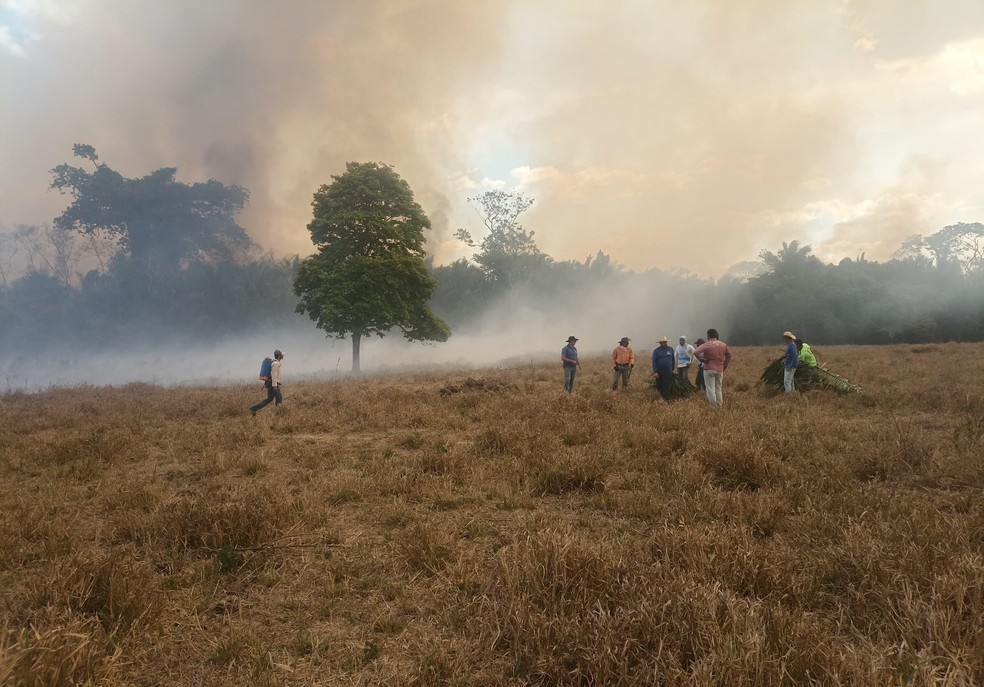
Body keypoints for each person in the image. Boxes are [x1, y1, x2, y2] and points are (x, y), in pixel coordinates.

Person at [694, 329, 732, 407]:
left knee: (710, 389)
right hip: (720, 369)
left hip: (709, 368)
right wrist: (724, 365)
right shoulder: (723, 345)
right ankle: (719, 406)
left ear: (708, 336)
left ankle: (713, 407)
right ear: (716, 335)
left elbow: (696, 352)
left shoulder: (707, 344)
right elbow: (729, 356)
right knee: (718, 389)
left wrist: (703, 360)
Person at [251, 349, 284, 415]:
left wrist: (266, 384)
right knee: (279, 398)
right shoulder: (276, 363)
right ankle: (280, 413)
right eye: (282, 354)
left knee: (270, 399)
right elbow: (273, 374)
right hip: (273, 384)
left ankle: (254, 408)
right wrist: (274, 385)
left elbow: (269, 374)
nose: (283, 355)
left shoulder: (273, 362)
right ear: (279, 355)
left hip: (270, 383)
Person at [651, 336, 676, 401]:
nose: (665, 343)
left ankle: (666, 399)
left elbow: (673, 360)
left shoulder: (670, 349)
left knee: (666, 385)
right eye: (663, 342)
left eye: (666, 342)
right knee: (659, 385)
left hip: (668, 371)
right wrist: (655, 372)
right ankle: (660, 397)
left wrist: (673, 369)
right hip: (659, 371)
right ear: (660, 343)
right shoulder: (656, 351)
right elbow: (654, 362)